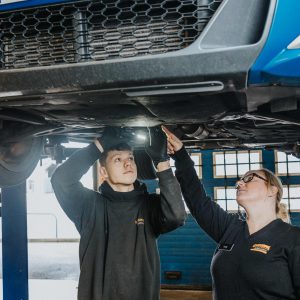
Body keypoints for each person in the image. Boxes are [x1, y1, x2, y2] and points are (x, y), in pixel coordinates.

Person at [163, 126, 300, 300]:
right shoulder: (230, 229)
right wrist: (181, 156)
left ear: (272, 190)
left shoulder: (293, 239)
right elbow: (198, 201)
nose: (239, 183)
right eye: (240, 180)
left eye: (249, 178)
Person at [51, 126, 186, 300]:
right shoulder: (89, 205)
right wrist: (99, 145)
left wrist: (162, 161)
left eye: (130, 157)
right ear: (103, 172)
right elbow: (61, 180)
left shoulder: (149, 205)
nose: (128, 163)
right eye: (117, 159)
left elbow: (176, 216)